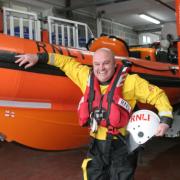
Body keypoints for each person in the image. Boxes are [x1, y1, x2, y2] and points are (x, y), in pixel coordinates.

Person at [15, 48, 173, 180]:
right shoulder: (85, 77)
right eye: (97, 64)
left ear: (114, 63)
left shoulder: (131, 82)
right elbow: (65, 62)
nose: (101, 68)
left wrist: (165, 120)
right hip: (97, 144)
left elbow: (158, 95)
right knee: (92, 174)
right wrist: (38, 57)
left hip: (122, 145)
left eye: (106, 63)